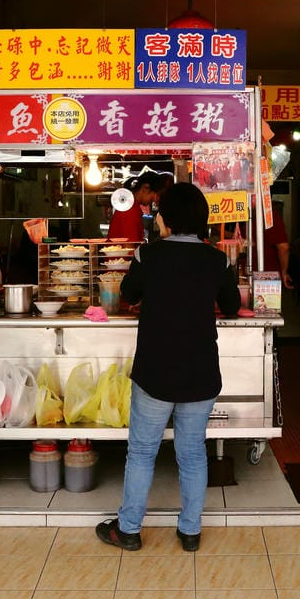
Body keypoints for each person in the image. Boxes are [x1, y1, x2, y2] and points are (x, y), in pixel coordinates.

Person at [96, 182, 241, 553]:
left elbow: (128, 294)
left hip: (155, 372)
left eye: (160, 212)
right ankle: (190, 531)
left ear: (168, 218)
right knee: (192, 453)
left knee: (142, 452)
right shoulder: (218, 260)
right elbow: (231, 305)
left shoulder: (148, 256)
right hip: (200, 372)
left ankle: (128, 529)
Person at [107, 170, 170, 242]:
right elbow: (130, 243)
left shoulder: (132, 207)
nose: (155, 200)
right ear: (145, 189)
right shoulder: (130, 209)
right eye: (156, 195)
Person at [262, 205, 295, 289]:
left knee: (266, 302)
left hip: (267, 277)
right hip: (250, 275)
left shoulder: (269, 215)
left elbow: (283, 247)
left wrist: (283, 272)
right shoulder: (250, 215)